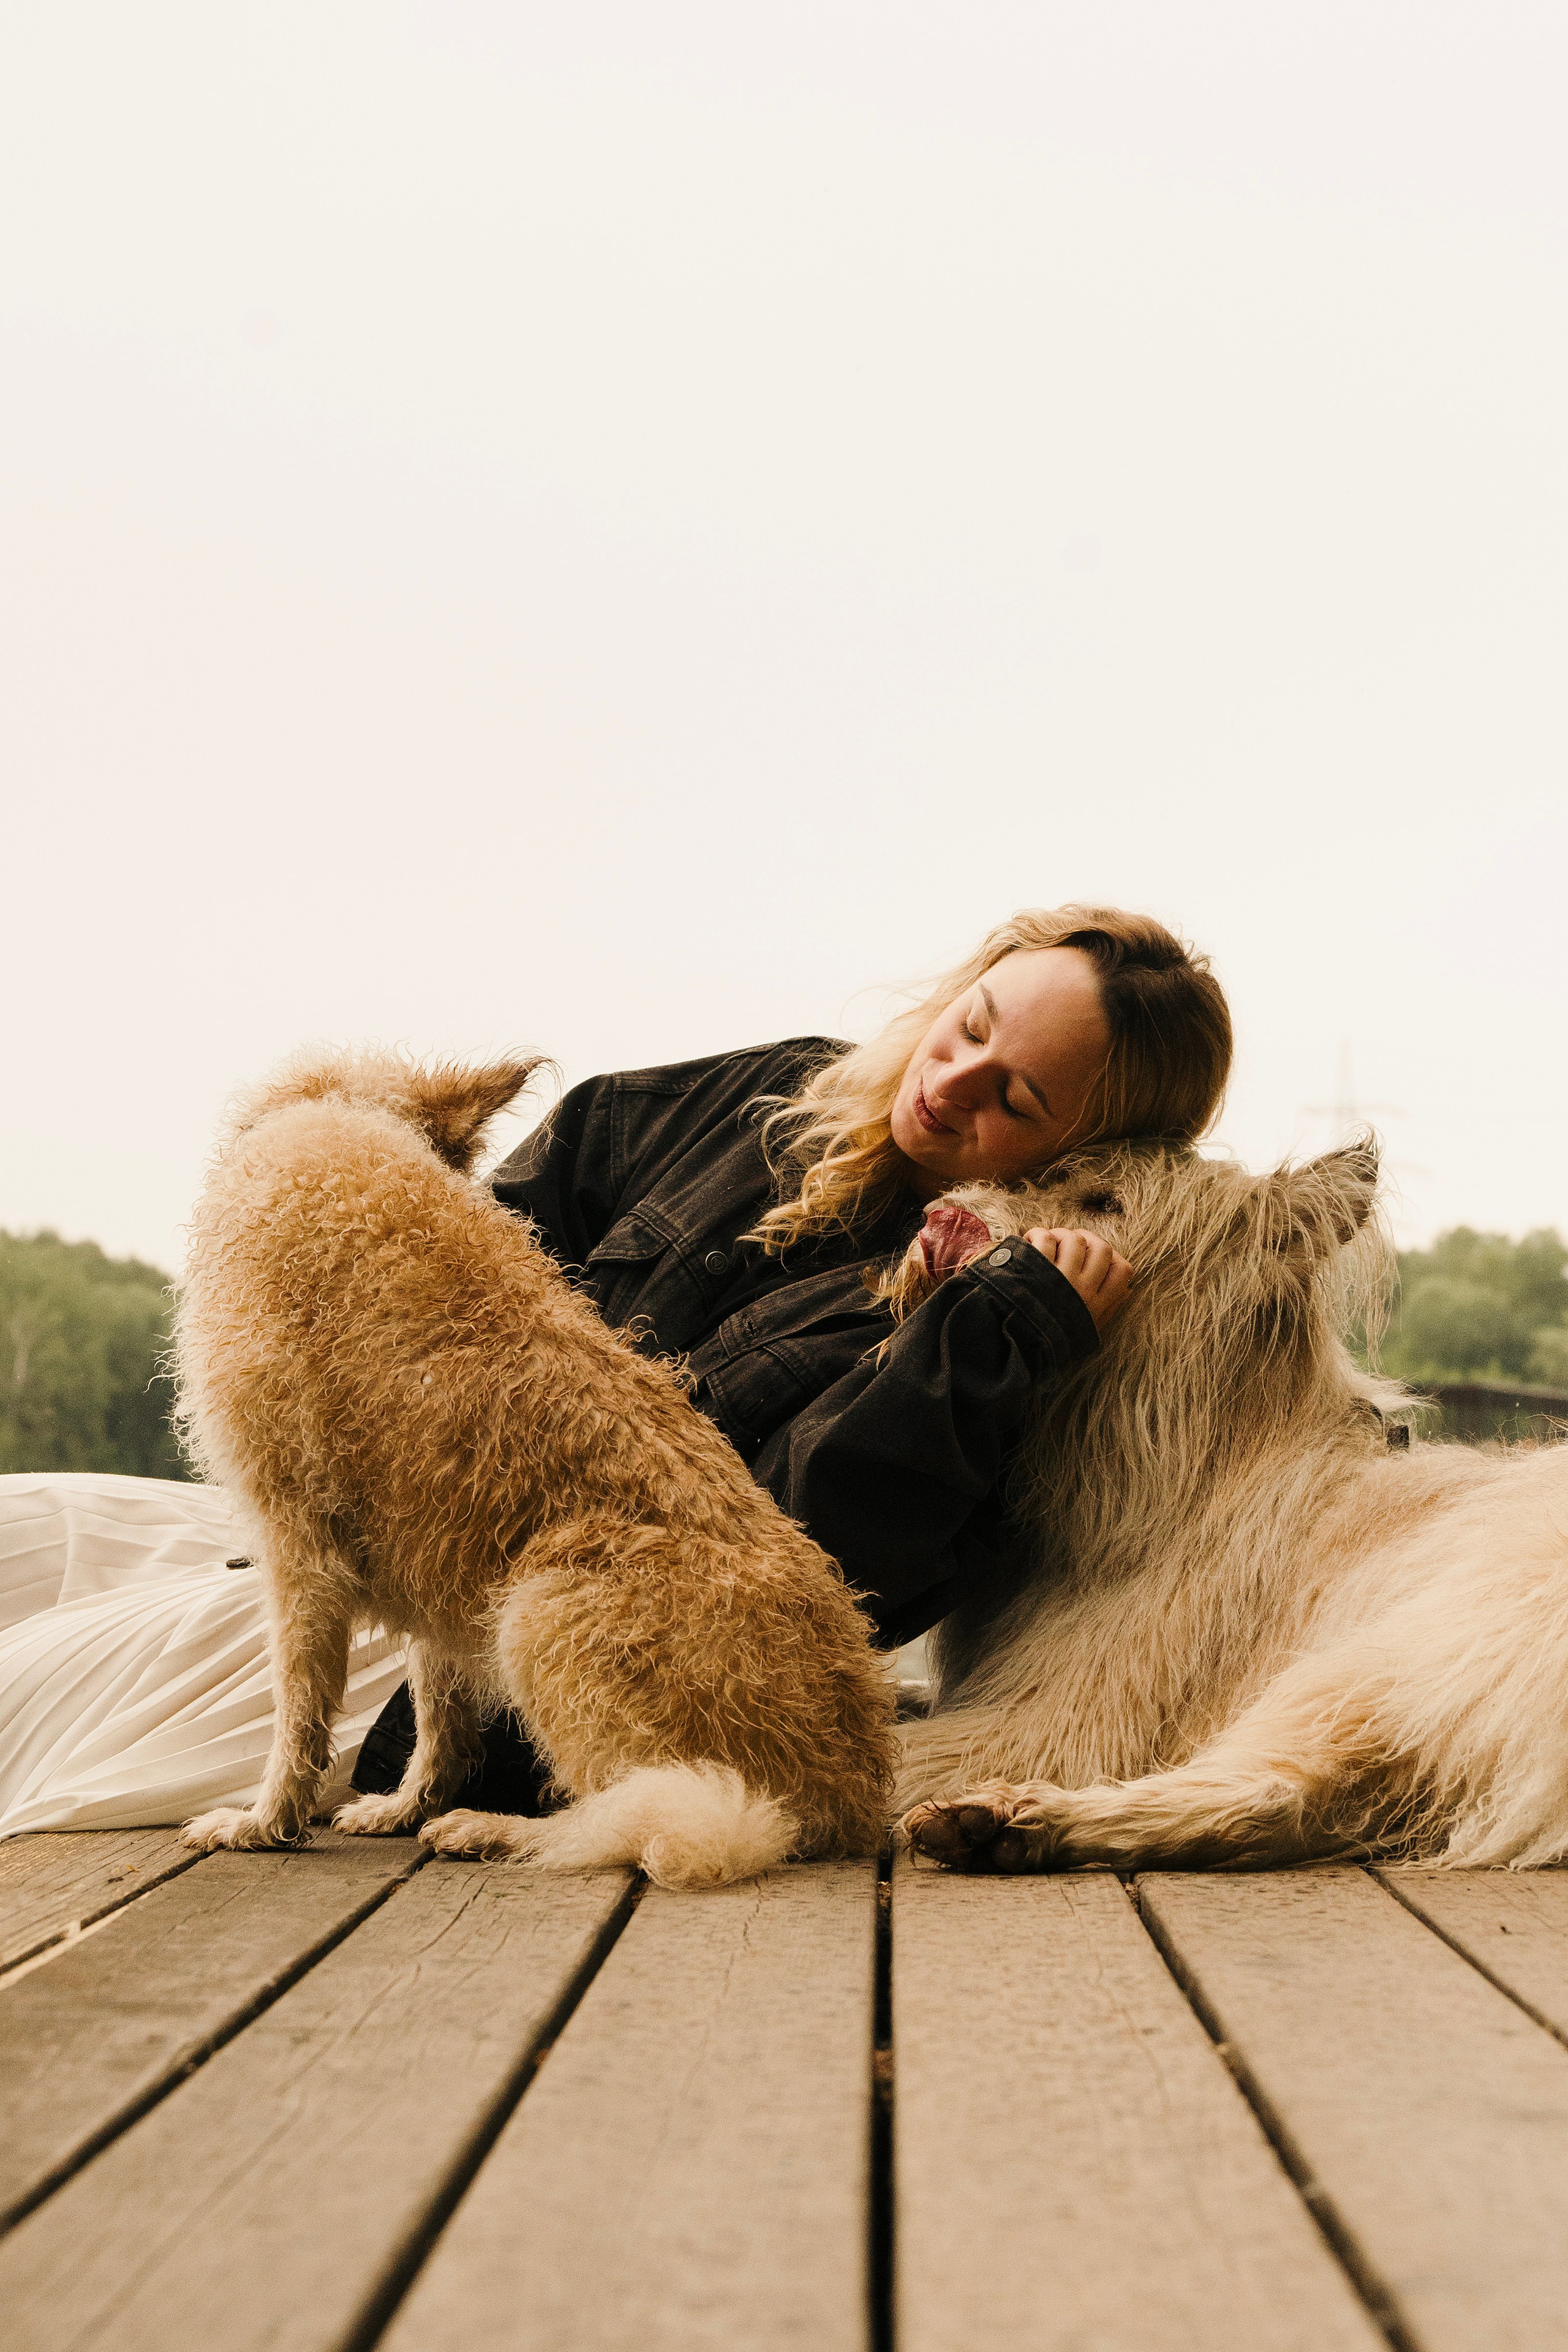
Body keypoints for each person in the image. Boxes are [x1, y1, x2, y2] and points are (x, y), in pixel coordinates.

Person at [0, 905, 1230, 1836]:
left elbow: (810, 1565)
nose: (949, 1082)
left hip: (469, 1664)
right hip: (346, 1532)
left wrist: (980, 1340)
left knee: (28, 1700)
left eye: (1010, 1096)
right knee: (29, 1524)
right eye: (968, 1027)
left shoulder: (998, 1328)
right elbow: (473, 1244)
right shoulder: (763, 1094)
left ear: (1086, 1150)